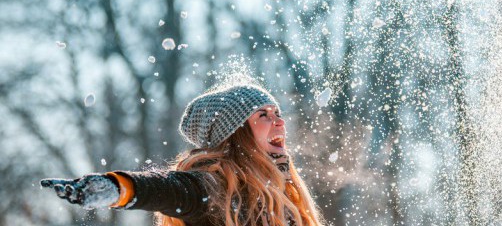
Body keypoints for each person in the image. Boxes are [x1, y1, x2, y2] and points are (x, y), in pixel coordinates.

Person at [41, 83, 325, 226]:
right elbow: (168, 189)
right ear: (236, 133)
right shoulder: (217, 188)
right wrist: (118, 188)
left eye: (277, 113)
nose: (279, 121)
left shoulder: (285, 191)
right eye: (263, 114)